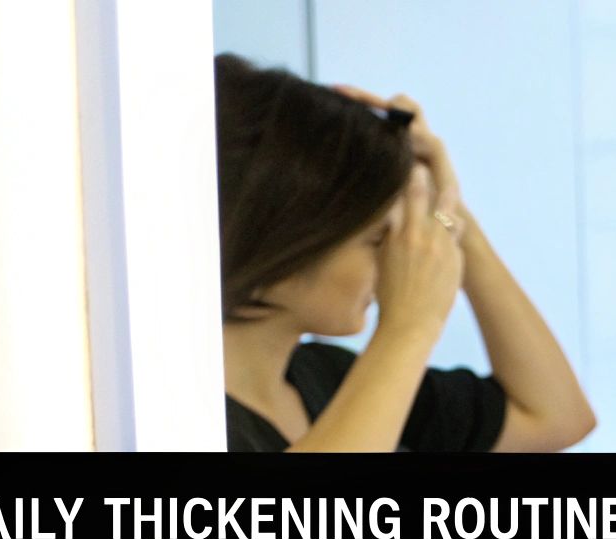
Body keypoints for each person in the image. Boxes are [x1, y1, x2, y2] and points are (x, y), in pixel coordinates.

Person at [213, 54, 596, 454]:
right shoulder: (184, 420)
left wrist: (448, 212)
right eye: (379, 240)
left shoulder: (328, 377)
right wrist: (410, 326)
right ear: (278, 241)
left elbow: (556, 417)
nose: (403, 257)